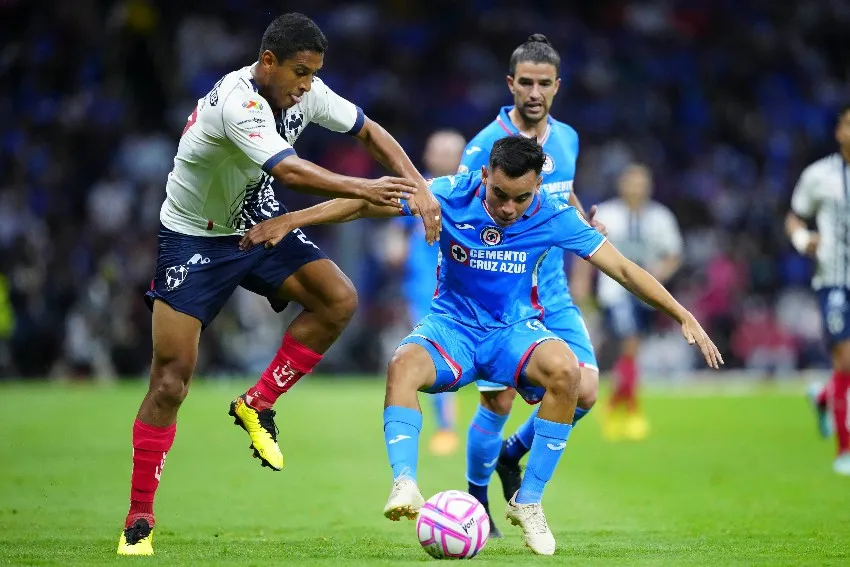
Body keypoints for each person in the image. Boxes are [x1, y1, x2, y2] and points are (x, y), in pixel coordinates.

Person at [242, 136, 723, 555]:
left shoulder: (554, 216)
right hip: (451, 327)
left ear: (536, 187)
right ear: (485, 174)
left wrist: (682, 313)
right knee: (402, 365)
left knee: (568, 373)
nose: (509, 208)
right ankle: (405, 483)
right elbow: (366, 203)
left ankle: (529, 501)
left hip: (513, 331)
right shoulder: (450, 193)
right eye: (500, 194)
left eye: (521, 198)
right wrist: (292, 220)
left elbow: (622, 269)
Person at [117, 13, 441, 556]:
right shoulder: (237, 102)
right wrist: (367, 186)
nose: (307, 85)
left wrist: (419, 187)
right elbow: (289, 170)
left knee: (338, 299)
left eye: (314, 74)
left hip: (256, 220)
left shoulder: (304, 91)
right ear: (268, 62)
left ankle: (258, 402)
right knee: (171, 381)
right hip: (194, 237)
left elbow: (369, 131)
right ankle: (139, 519)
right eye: (300, 72)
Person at [456, 34, 606, 534]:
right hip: (504, 297)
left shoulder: (568, 139)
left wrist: (585, 224)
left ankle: (511, 455)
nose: (535, 91)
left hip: (555, 292)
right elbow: (467, 215)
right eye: (526, 82)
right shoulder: (483, 146)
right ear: (510, 84)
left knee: (585, 389)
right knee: (496, 401)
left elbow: (560, 198)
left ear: (557, 86)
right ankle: (478, 503)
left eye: (544, 83)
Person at [571, 164, 683, 441]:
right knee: (630, 343)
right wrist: (581, 283)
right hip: (615, 291)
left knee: (630, 351)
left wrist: (659, 275)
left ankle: (613, 407)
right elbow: (585, 247)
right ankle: (631, 410)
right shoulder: (607, 212)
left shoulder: (660, 218)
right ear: (622, 185)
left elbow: (674, 254)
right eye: (631, 183)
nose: (636, 188)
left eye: (641, 183)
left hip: (645, 295)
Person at [382, 130, 466, 456]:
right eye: (439, 151)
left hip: (469, 289)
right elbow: (395, 235)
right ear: (428, 156)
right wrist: (396, 248)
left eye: (452, 152)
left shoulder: (475, 192)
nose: (445, 157)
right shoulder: (416, 191)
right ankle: (446, 428)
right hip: (424, 290)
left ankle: (483, 429)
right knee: (435, 352)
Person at [787, 103, 850, 476]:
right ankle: (845, 450)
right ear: (838, 131)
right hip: (834, 280)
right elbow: (795, 214)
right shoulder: (819, 175)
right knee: (845, 360)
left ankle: (824, 397)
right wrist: (800, 239)